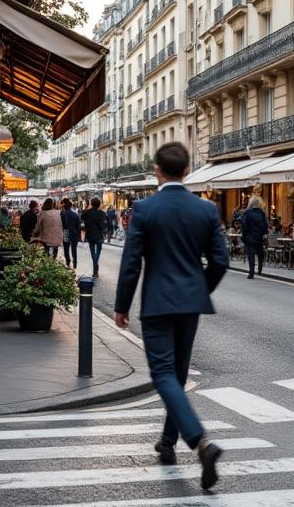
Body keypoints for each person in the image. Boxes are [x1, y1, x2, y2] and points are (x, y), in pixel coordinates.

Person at [114, 142, 228, 491]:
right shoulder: (206, 210)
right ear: (187, 170)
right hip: (190, 305)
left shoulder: (145, 208)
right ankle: (167, 443)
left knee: (163, 374)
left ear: (157, 171)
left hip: (159, 303)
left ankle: (201, 442)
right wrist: (199, 289)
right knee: (176, 375)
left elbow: (132, 263)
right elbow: (221, 261)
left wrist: (121, 305)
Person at [240, 195, 268, 279]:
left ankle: (251, 272)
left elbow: (244, 226)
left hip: (249, 236)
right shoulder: (262, 213)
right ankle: (260, 268)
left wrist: (243, 236)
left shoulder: (247, 213)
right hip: (259, 237)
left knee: (251, 255)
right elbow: (265, 225)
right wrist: (262, 234)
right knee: (260, 253)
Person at [81, 197, 108, 277]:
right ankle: (96, 266)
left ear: (91, 204)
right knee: (98, 252)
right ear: (99, 204)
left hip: (90, 235)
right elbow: (103, 225)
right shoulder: (102, 213)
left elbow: (82, 218)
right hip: (99, 235)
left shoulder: (86, 212)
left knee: (93, 252)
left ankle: (95, 266)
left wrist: (88, 208)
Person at [60, 198, 83, 268]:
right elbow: (78, 225)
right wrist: (78, 234)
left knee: (66, 249)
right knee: (74, 249)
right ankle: (75, 263)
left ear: (64, 206)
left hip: (66, 232)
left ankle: (68, 262)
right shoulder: (75, 214)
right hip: (74, 232)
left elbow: (61, 224)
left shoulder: (62, 213)